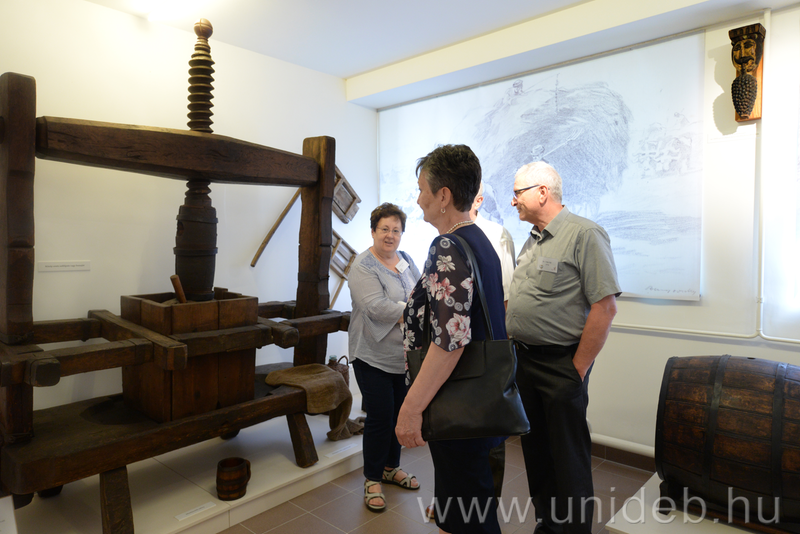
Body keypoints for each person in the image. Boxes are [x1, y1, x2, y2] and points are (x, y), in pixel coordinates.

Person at [505, 161, 621, 534]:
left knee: (568, 457)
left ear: (542, 192)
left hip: (561, 365)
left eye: (517, 192)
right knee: (537, 453)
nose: (512, 201)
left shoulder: (585, 234)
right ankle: (548, 526)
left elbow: (605, 307)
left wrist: (577, 369)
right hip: (526, 362)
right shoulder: (532, 240)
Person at [397, 144, 506, 534]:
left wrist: (411, 409)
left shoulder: (447, 246)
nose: (418, 199)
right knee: (468, 507)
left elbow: (450, 341)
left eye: (422, 189)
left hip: (458, 403)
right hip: (480, 398)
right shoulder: (479, 241)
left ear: (443, 195)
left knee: (466, 516)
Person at [348, 202, 421, 512]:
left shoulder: (406, 259)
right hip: (372, 355)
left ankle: (391, 467)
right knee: (380, 417)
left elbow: (422, 292)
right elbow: (375, 307)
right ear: (373, 231)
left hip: (402, 355)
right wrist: (415, 312)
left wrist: (418, 308)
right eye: (384, 229)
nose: (390, 235)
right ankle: (372, 478)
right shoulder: (362, 266)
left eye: (396, 230)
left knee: (398, 413)